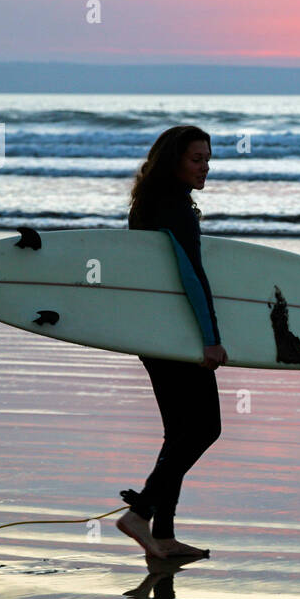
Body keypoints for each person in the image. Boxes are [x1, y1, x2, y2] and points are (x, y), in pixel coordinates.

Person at [117, 126, 226, 560]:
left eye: (208, 158)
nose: (206, 167)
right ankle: (142, 513)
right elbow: (191, 277)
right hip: (178, 335)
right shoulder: (175, 208)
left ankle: (161, 534)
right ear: (174, 161)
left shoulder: (148, 204)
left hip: (154, 333)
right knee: (205, 428)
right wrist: (211, 340)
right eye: (197, 158)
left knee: (179, 432)